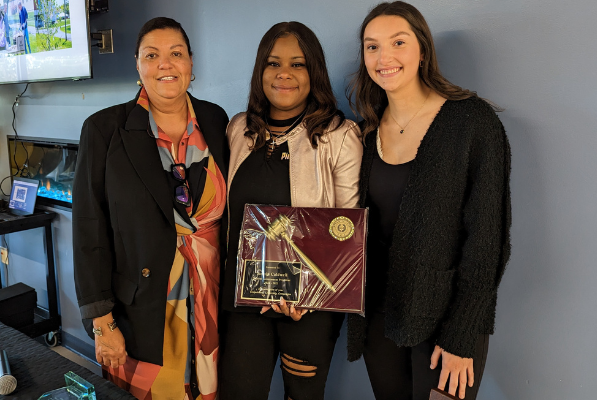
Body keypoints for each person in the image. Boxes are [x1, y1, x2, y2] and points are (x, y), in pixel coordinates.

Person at [345, 2, 511, 400]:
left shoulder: (472, 122)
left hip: (446, 323)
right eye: (372, 47)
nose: (384, 57)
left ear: (422, 48)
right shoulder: (364, 134)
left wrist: (462, 335)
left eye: (397, 42)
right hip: (380, 320)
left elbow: (487, 243)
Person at [73, 17, 229, 400]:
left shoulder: (217, 120)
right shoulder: (104, 129)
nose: (165, 64)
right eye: (152, 55)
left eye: (176, 54)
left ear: (191, 64)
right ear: (137, 65)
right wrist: (101, 323)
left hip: (213, 299)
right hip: (141, 307)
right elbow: (89, 230)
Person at [219, 21, 362, 400]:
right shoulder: (238, 130)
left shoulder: (339, 136)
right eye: (273, 63)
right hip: (243, 301)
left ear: (313, 71)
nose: (284, 74)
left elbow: (347, 231)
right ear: (260, 71)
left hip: (308, 309)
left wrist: (309, 297)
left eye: (297, 64)